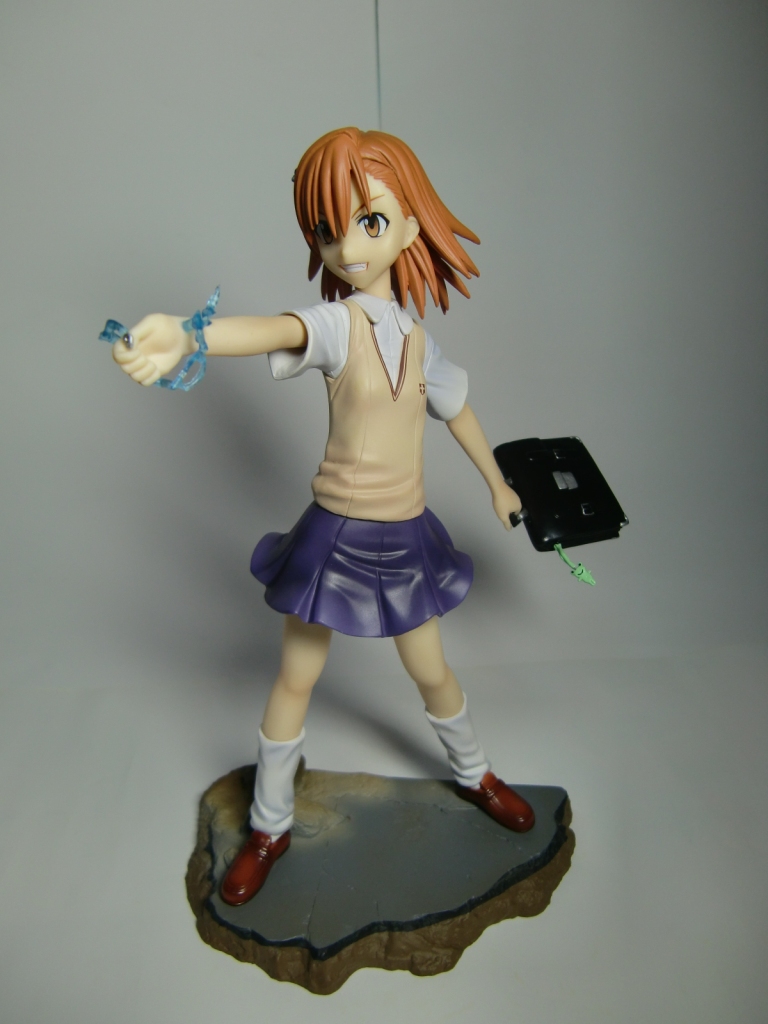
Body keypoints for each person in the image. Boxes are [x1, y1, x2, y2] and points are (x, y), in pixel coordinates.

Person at [112, 127, 534, 908]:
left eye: (369, 222)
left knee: (431, 670)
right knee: (296, 677)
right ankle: (269, 825)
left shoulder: (421, 341)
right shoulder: (338, 324)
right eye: (328, 230)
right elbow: (275, 329)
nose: (347, 247)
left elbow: (458, 410)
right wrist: (190, 333)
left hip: (406, 533)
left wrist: (498, 486)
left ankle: (477, 774)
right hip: (336, 535)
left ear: (410, 227)